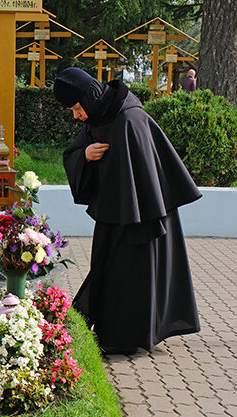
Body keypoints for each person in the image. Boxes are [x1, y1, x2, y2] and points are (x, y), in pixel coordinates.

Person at [53, 67, 202, 355]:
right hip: (116, 215)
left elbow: (143, 174)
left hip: (141, 219)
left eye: (76, 108)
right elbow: (74, 153)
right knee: (111, 271)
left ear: (88, 98)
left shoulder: (128, 118)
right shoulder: (101, 115)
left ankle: (130, 337)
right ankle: (114, 333)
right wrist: (84, 155)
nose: (76, 116)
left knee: (135, 273)